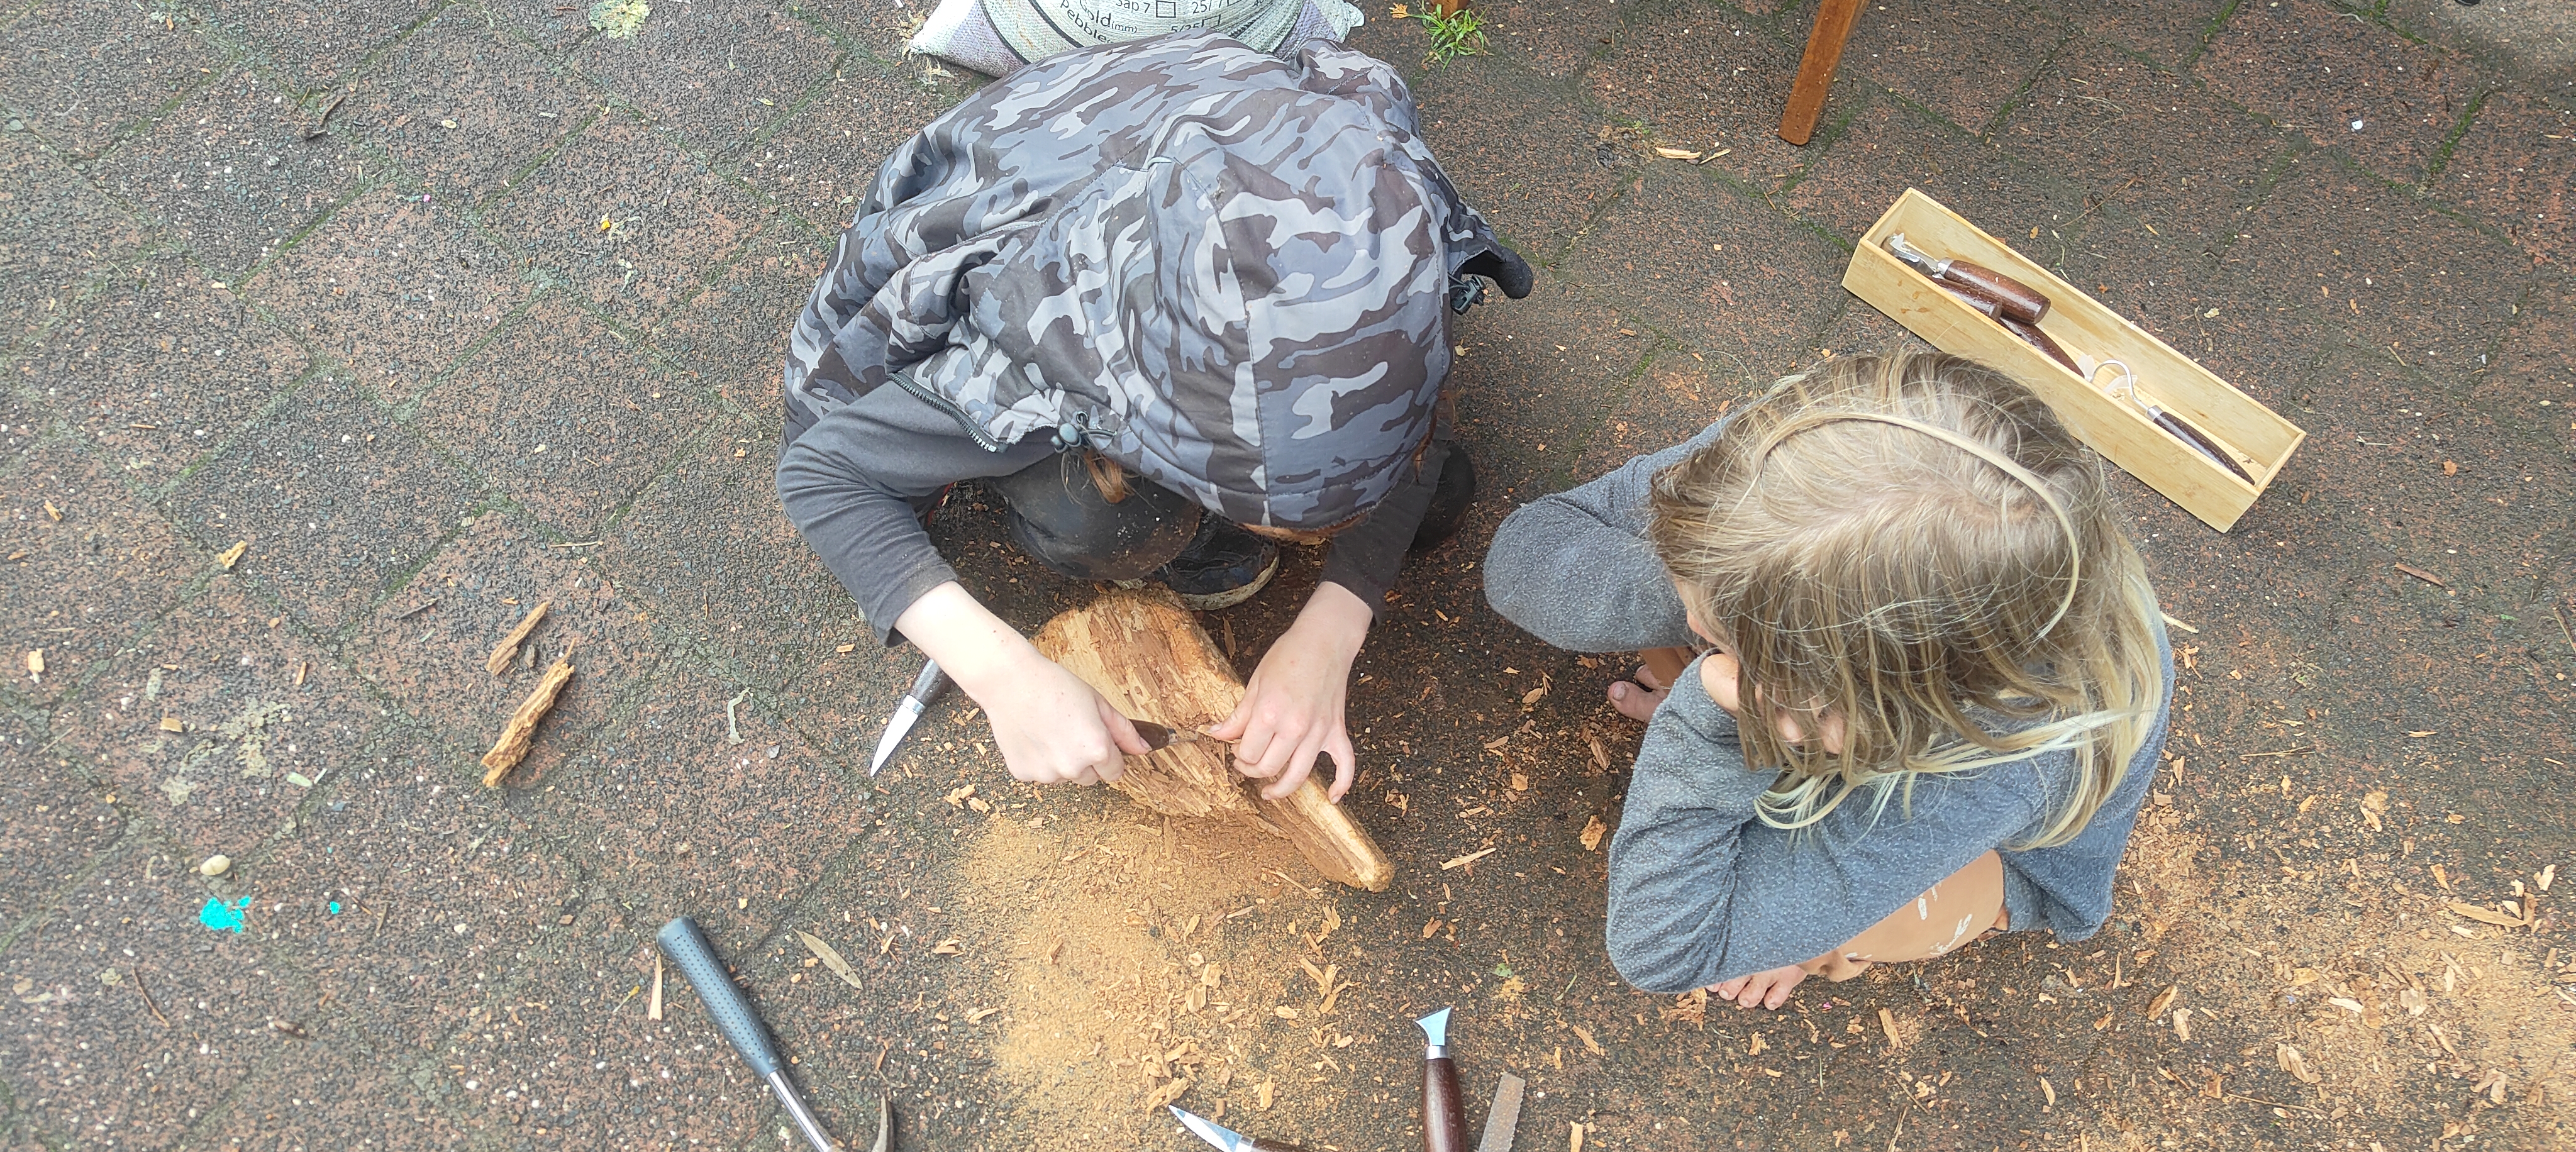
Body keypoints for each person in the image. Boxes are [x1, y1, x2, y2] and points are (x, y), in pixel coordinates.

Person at [776, 33, 1531, 804]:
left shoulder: (1388, 229)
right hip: (1019, 213)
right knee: (1106, 520)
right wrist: (1002, 674)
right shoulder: (1040, 347)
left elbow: (1419, 408)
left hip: (1176, 173)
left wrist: (1335, 625)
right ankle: (1154, 514)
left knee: (1431, 493)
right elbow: (820, 474)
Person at [1483, 352, 2173, 1009]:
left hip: (1986, 844)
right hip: (1852, 703)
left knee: (1829, 925)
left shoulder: (2005, 770)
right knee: (1688, 621)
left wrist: (1705, 724)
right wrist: (1710, 594)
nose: (1693, 624)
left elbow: (1661, 947)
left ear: (1864, 712)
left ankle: (1820, 928)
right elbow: (1524, 557)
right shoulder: (1818, 457)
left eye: (1731, 644)